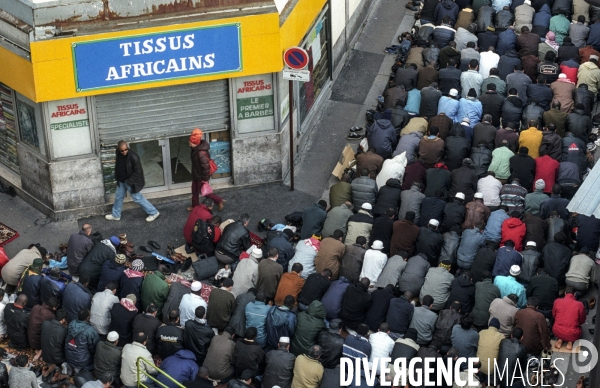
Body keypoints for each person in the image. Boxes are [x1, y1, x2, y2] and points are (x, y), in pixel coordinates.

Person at [105, 140, 159, 222]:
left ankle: (153, 212)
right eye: (122, 150)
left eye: (126, 149)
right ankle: (116, 215)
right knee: (118, 197)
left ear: (127, 147)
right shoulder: (118, 152)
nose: (124, 152)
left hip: (130, 181)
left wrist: (130, 181)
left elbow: (138, 172)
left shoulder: (133, 157)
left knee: (137, 198)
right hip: (122, 180)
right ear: (119, 149)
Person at [189, 128, 224, 211]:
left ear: (195, 143)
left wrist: (205, 180)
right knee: (194, 191)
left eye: (190, 143)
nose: (189, 144)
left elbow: (206, 167)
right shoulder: (195, 149)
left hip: (201, 177)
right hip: (196, 174)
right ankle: (194, 206)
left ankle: (219, 201)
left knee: (205, 192)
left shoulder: (200, 153)